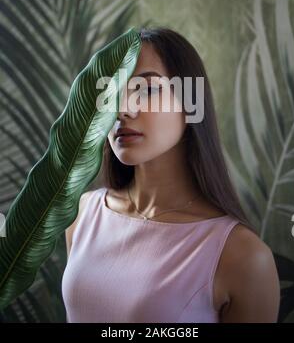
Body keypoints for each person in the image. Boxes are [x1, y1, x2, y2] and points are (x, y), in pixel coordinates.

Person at [62, 26, 280, 323]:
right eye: (112, 92)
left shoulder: (242, 257)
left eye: (147, 89)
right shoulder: (82, 214)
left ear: (192, 105)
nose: (123, 109)